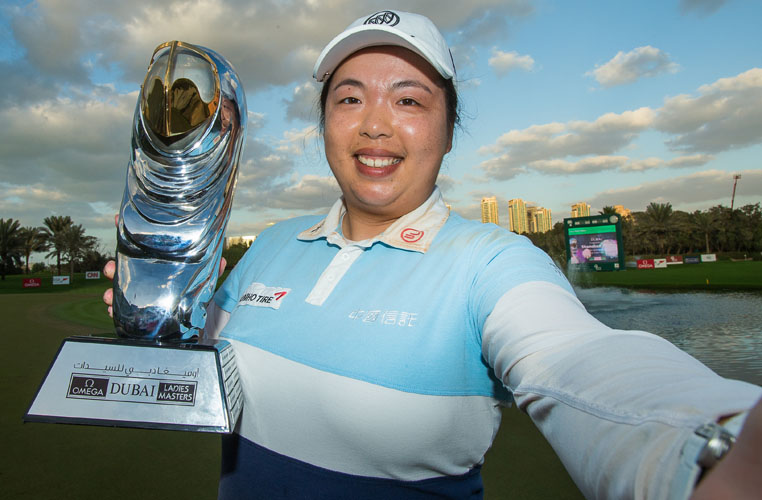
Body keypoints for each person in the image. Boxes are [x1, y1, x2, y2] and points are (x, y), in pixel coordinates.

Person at [104, 10, 762, 499]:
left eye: (410, 100)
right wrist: (166, 321)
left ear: (449, 131)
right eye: (349, 97)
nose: (375, 123)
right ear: (326, 124)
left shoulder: (493, 260)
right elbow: (219, 379)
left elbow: (580, 363)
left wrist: (710, 445)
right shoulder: (273, 241)